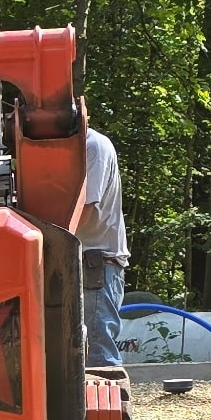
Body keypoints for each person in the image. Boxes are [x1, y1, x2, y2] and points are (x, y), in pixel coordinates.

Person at [77, 125, 130, 368]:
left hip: (96, 266)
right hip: (84, 261)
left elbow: (86, 210)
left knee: (99, 358)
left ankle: (108, 405)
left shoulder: (91, 147)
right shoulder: (80, 147)